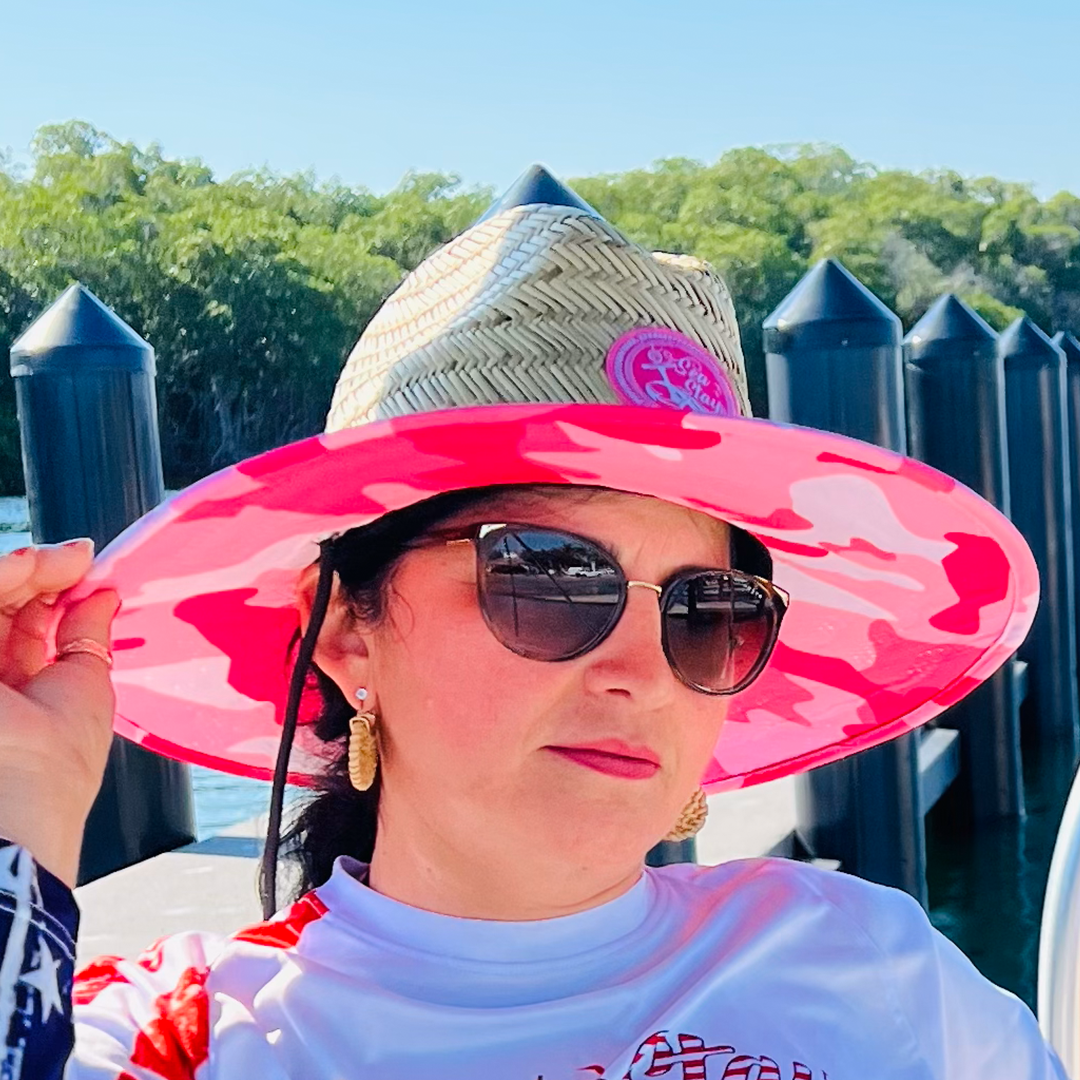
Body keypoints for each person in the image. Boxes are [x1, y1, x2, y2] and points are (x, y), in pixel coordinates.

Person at [0, 167, 1064, 1079]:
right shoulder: (179, 1040)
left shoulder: (879, 970)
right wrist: (17, 811)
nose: (642, 673)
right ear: (345, 635)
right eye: (553, 578)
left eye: (710, 612)